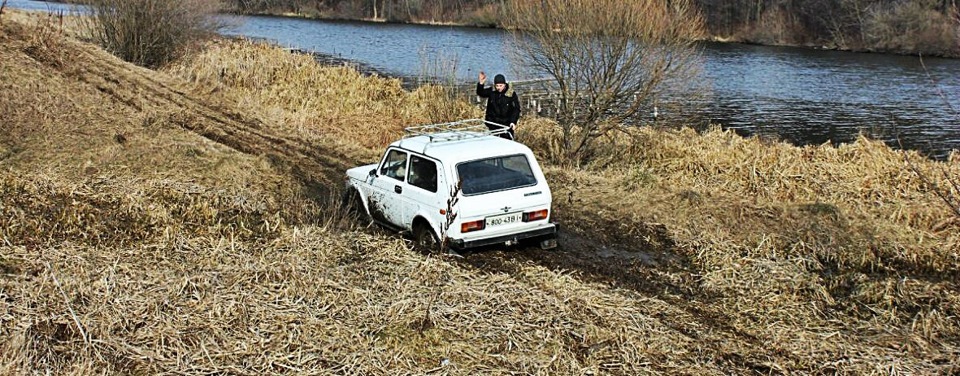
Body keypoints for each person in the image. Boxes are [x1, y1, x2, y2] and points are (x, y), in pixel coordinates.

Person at [476, 71, 521, 140]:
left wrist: (513, 122)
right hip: (492, 124)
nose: (498, 88)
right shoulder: (492, 91)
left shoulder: (511, 94)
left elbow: (516, 109)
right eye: (497, 86)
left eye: (501, 86)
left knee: (506, 143)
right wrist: (481, 83)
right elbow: (481, 93)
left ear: (505, 84)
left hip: (506, 125)